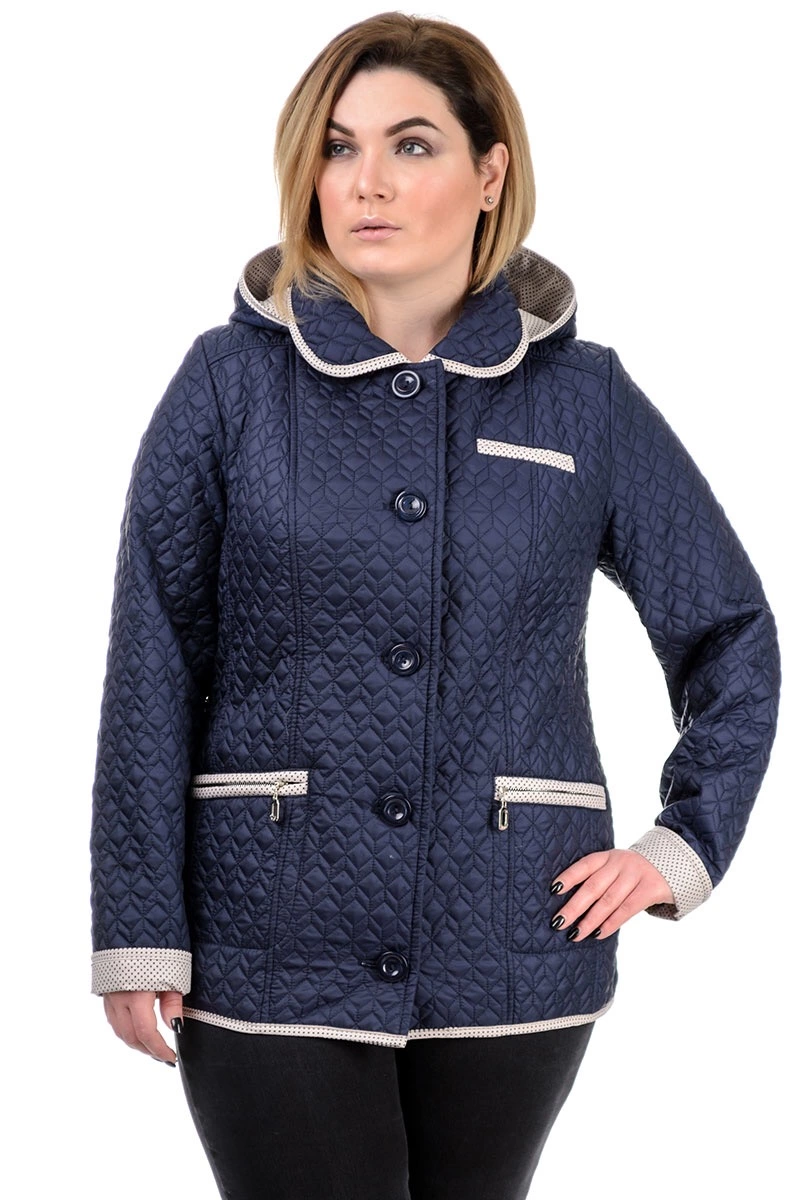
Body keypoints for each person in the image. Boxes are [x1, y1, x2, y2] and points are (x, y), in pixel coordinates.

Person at [89, 11, 781, 1199]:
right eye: (337, 147)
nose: (364, 181)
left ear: (489, 172)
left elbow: (729, 632)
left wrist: (679, 848)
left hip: (512, 938)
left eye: (410, 145)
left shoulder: (581, 399)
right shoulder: (228, 384)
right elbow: (151, 661)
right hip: (269, 932)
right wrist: (134, 923)